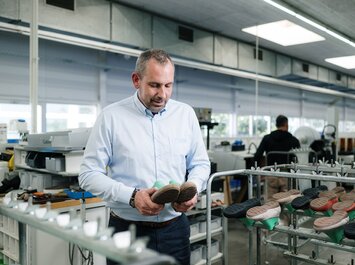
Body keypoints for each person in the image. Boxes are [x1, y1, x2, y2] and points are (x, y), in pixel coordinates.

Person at [78, 49, 210, 265]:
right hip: (126, 232)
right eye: (155, 85)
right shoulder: (111, 117)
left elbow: (200, 164)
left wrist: (193, 188)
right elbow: (88, 174)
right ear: (136, 80)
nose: (163, 94)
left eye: (168, 85)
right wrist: (132, 196)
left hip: (175, 231)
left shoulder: (185, 115)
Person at [254, 115, 300, 200]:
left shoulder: (267, 138)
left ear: (276, 125)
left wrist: (260, 170)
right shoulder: (294, 140)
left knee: (270, 202)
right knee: (286, 201)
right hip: (286, 175)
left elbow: (257, 155)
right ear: (286, 124)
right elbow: (297, 159)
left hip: (270, 174)